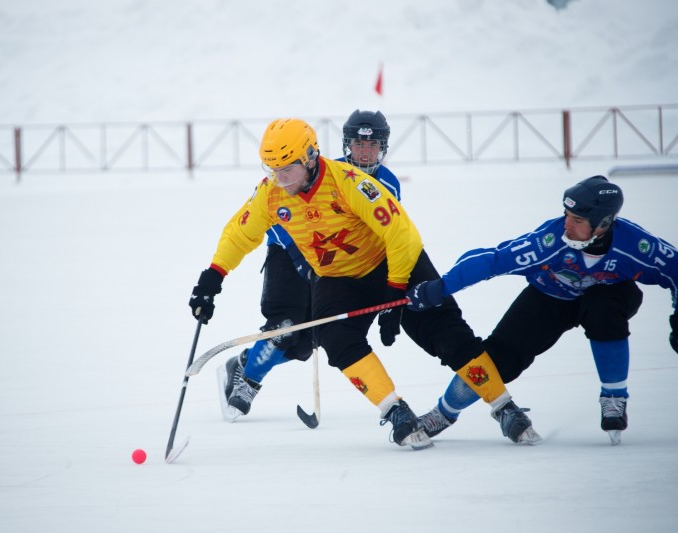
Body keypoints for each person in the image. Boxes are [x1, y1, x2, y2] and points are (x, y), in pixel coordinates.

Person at [189, 118, 541, 449]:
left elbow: (400, 233)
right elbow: (240, 233)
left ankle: (504, 406)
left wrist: (394, 290)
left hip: (394, 263)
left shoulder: (348, 182)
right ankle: (395, 411)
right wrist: (212, 278)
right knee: (334, 338)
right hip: (339, 277)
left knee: (445, 333)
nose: (281, 179)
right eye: (273, 170)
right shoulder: (271, 194)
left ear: (311, 157)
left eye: (288, 168)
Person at [406, 175, 678, 445]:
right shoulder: (549, 241)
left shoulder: (636, 246)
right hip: (550, 298)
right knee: (499, 358)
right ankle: (443, 413)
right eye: (566, 215)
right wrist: (439, 288)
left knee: (603, 310)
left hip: (608, 296)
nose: (567, 225)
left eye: (578, 220)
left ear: (603, 224)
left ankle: (614, 398)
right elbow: (492, 260)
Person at [216, 110, 401, 422]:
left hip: (335, 264)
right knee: (286, 325)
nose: (365, 152)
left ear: (383, 147)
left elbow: (386, 233)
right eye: (358, 145)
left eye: (372, 146)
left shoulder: (389, 184)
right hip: (288, 254)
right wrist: (299, 255)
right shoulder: (328, 173)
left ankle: (245, 362)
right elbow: (278, 215)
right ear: (347, 146)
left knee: (309, 340)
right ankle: (248, 381)